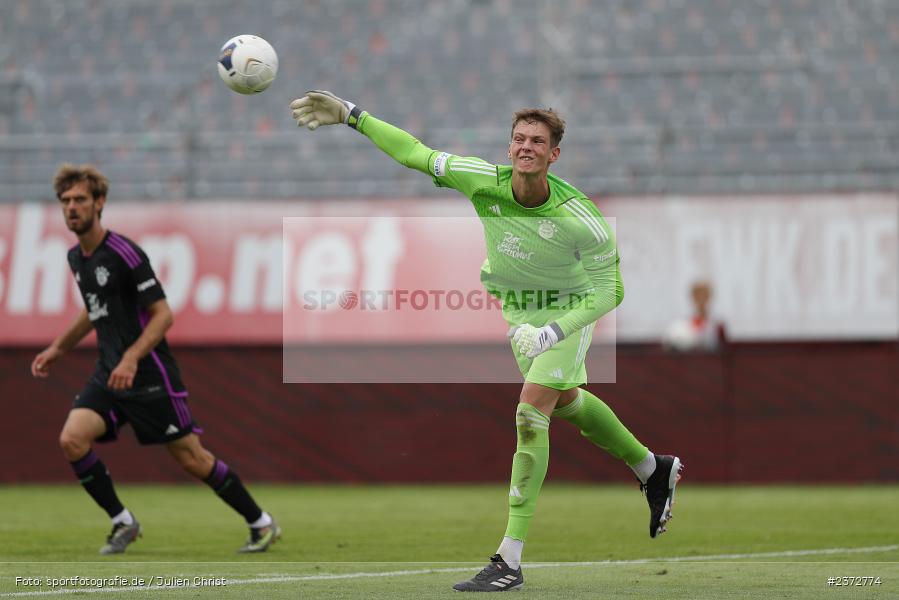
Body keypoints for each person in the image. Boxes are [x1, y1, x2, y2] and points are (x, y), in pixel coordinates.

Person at [290, 92, 683, 591]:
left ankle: (509, 560)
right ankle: (652, 467)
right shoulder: (482, 180)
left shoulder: (579, 215)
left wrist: (557, 329)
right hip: (518, 311)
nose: (525, 148)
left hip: (567, 311)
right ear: (509, 146)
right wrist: (352, 116)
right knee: (563, 402)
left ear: (553, 155)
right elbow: (414, 152)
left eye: (537, 142)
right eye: (519, 139)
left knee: (529, 412)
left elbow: (612, 290)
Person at [31, 164, 281, 555]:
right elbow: (94, 309)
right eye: (65, 201)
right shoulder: (76, 257)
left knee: (192, 460)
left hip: (148, 374)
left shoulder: (124, 253)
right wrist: (59, 348)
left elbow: (164, 314)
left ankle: (260, 523)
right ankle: (123, 522)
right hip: (110, 373)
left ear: (100, 203)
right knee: (72, 439)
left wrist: (131, 358)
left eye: (80, 199)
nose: (72, 208)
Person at [662, 280, 727, 352]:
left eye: (705, 295)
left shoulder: (717, 325)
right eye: (698, 295)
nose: (701, 299)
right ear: (693, 297)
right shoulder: (681, 326)